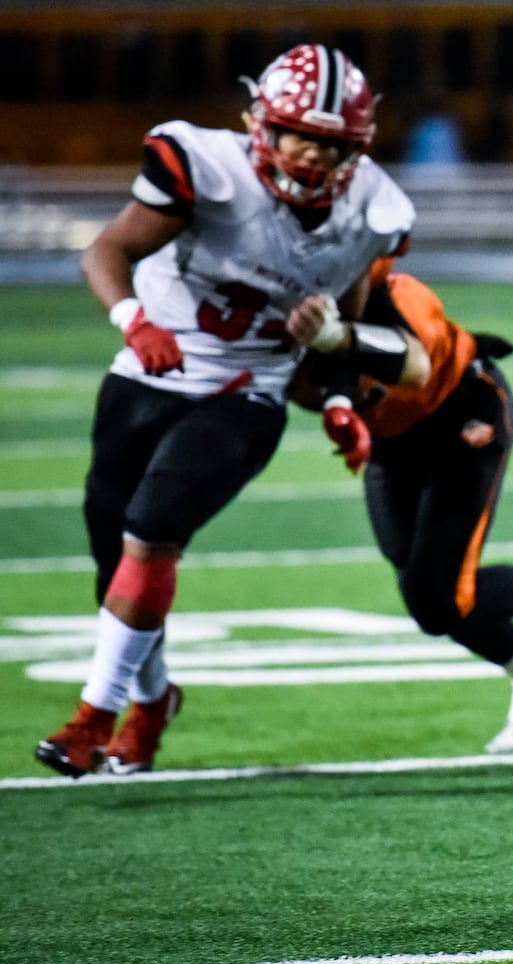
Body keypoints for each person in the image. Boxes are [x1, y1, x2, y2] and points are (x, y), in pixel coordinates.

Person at [35, 45, 420, 778]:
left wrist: (338, 398)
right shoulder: (206, 166)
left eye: (332, 142)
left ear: (356, 148)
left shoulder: (373, 211)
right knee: (111, 568)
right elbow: (106, 252)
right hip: (146, 371)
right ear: (259, 125)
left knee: (150, 535)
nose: (311, 153)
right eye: (299, 134)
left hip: (247, 392)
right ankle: (153, 702)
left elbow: (342, 331)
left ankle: (93, 720)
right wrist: (132, 319)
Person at [288, 266, 513, 753]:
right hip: (391, 442)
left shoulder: (400, 296)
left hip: (461, 416)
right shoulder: (284, 309)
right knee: (423, 593)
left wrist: (336, 340)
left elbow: (413, 365)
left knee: (440, 597)